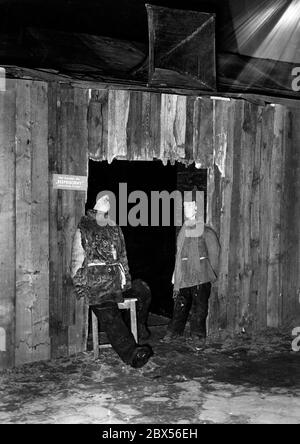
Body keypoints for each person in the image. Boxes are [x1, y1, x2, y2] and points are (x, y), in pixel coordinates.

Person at [70, 193, 153, 368]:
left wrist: (127, 282)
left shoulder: (114, 228)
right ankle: (131, 353)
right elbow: (77, 260)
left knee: (142, 290)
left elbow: (122, 258)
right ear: (95, 208)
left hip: (116, 283)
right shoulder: (84, 229)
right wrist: (80, 286)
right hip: (96, 284)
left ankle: (140, 328)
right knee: (110, 315)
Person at [163, 188, 220, 349]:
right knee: (180, 305)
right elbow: (179, 254)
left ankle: (198, 337)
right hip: (185, 275)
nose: (185, 208)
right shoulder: (183, 230)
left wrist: (209, 273)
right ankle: (174, 332)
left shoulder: (206, 232)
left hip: (201, 276)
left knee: (199, 308)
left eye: (189, 205)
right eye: (185, 205)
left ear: (197, 208)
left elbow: (215, 255)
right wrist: (176, 274)